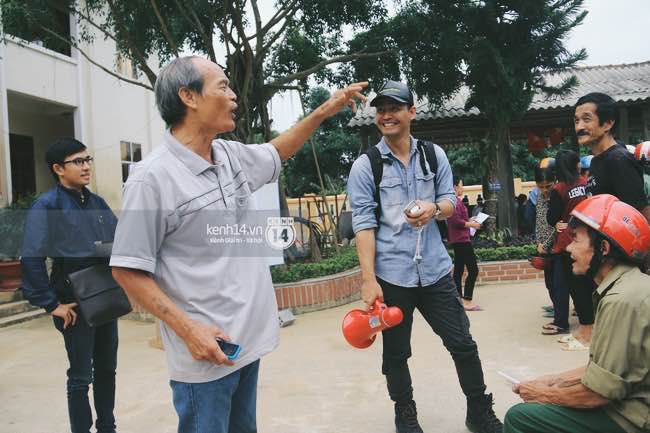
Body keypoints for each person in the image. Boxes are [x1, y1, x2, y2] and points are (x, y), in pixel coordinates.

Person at [109, 56, 366, 433]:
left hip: (245, 344)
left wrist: (326, 110)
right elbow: (127, 269)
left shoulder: (230, 156)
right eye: (223, 87)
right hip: (205, 354)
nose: (233, 97)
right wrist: (189, 330)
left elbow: (278, 151)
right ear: (188, 97)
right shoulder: (152, 179)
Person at [347, 80, 502, 433]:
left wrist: (434, 208)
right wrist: (368, 279)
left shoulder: (434, 155)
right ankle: (406, 415)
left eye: (394, 108)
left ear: (411, 111)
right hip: (392, 276)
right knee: (396, 353)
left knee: (462, 343)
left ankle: (479, 410)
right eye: (381, 110)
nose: (387, 115)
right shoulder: (366, 166)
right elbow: (364, 225)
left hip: (434, 271)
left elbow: (450, 200)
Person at [503, 194, 650, 433]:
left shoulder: (621, 301)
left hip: (631, 418)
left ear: (603, 248)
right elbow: (604, 371)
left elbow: (599, 391)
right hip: (628, 404)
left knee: (521, 418)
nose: (569, 248)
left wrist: (544, 394)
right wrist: (552, 380)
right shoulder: (629, 286)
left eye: (576, 240)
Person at [21, 138, 119, 433]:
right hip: (73, 304)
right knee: (80, 376)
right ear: (58, 169)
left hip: (105, 298)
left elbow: (117, 246)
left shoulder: (98, 203)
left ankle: (107, 427)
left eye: (88, 159)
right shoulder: (46, 206)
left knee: (106, 370)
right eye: (79, 161)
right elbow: (32, 258)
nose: (87, 166)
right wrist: (53, 305)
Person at [545, 150, 594, 348]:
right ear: (576, 165)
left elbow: (551, 218)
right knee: (590, 283)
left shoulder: (559, 189)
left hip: (568, 243)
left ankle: (585, 329)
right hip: (591, 239)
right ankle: (592, 324)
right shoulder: (586, 183)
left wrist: (559, 222)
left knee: (571, 286)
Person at [574, 93, 646, 212]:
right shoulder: (597, 159)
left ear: (608, 124)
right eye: (576, 121)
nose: (579, 127)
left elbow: (640, 214)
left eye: (586, 119)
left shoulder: (619, 159)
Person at [448, 176, 483, 311]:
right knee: (473, 270)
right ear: (454, 187)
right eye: (461, 185)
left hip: (460, 239)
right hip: (461, 240)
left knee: (458, 271)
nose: (462, 188)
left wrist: (470, 219)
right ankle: (467, 300)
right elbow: (455, 222)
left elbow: (460, 219)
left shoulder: (456, 201)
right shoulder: (454, 202)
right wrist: (471, 224)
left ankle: (459, 299)